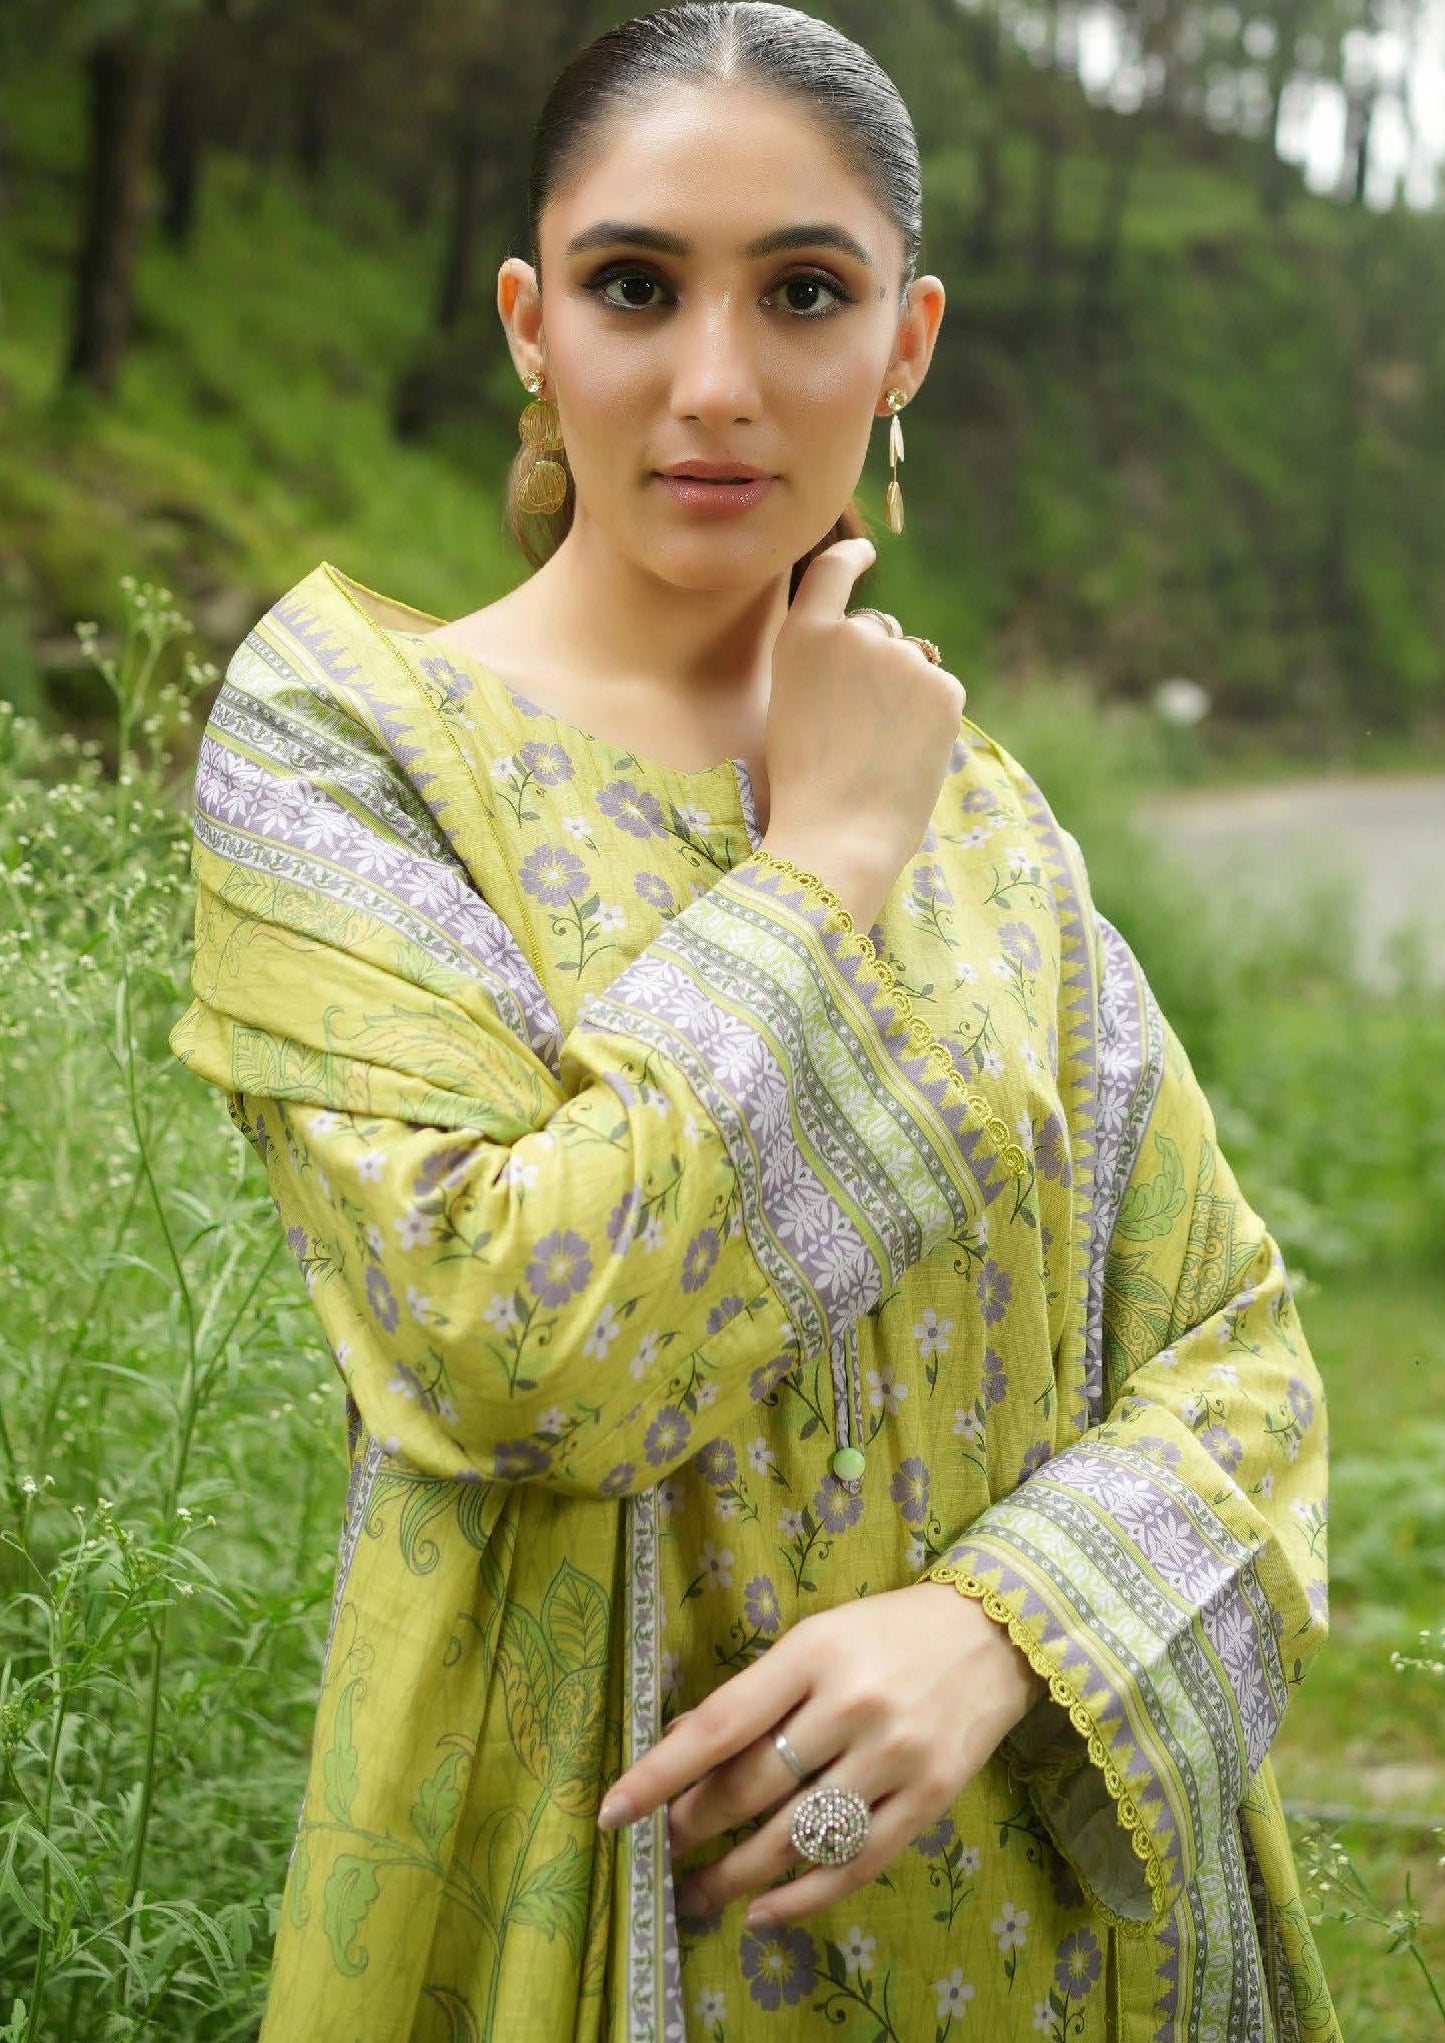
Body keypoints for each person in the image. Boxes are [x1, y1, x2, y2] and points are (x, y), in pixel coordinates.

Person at [169, 5, 1339, 2038]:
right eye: (636, 285)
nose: (714, 385)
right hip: (584, 1902)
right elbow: (516, 1342)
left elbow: (1238, 1355)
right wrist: (828, 863)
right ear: (532, 321)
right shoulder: (349, 748)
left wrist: (999, 1634)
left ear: (908, 340)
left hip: (1037, 1937)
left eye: (804, 290)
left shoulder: (998, 824)